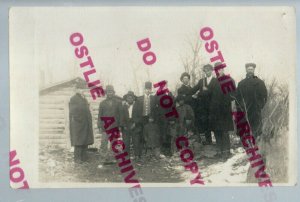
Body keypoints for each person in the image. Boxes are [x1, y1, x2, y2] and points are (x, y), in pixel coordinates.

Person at [209, 63, 235, 158]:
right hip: (215, 111)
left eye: (220, 69)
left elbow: (233, 96)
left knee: (224, 131)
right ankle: (219, 151)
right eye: (216, 70)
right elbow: (209, 95)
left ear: (223, 70)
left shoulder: (229, 80)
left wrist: (232, 109)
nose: (218, 71)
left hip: (225, 110)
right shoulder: (214, 81)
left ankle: (226, 151)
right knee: (216, 130)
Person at [236, 63, 268, 138]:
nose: (250, 71)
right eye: (248, 69)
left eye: (252, 69)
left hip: (255, 110)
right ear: (246, 70)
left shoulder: (260, 82)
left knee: (255, 129)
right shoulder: (241, 83)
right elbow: (237, 97)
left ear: (254, 70)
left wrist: (259, 106)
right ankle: (245, 145)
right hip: (243, 109)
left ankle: (254, 145)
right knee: (244, 129)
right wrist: (240, 107)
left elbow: (264, 96)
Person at [191, 64, 219, 145]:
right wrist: (183, 94)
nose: (207, 72)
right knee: (205, 123)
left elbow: (217, 93)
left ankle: (218, 142)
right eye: (206, 70)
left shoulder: (216, 81)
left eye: (209, 70)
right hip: (203, 107)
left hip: (213, 106)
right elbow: (193, 90)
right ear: (204, 71)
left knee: (214, 123)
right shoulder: (201, 81)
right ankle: (208, 141)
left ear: (212, 70)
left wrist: (207, 90)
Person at [132, 81, 158, 161]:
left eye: (149, 89)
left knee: (149, 135)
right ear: (144, 89)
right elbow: (135, 111)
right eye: (146, 89)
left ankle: (149, 153)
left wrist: (153, 118)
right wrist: (136, 121)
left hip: (150, 120)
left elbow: (156, 110)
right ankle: (139, 154)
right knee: (140, 135)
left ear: (151, 89)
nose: (148, 90)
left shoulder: (154, 98)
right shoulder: (139, 99)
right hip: (141, 120)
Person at [69, 82, 94, 164]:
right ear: (76, 90)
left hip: (85, 123)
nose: (82, 90)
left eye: (83, 89)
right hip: (78, 124)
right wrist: (79, 119)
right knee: (78, 141)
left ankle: (84, 158)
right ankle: (77, 159)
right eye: (80, 89)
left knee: (85, 140)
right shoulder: (74, 99)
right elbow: (72, 111)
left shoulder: (84, 98)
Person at [97, 85, 122, 161]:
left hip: (114, 125)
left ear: (113, 93)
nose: (110, 93)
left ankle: (112, 158)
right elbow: (99, 115)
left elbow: (120, 115)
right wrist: (100, 126)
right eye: (108, 92)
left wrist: (120, 126)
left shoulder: (118, 103)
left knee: (114, 143)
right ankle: (103, 158)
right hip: (105, 126)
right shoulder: (102, 103)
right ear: (106, 93)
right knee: (104, 142)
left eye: (111, 92)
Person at [120, 91, 137, 158]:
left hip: (134, 123)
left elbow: (138, 116)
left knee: (135, 140)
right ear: (126, 99)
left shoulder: (136, 106)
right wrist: (123, 125)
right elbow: (121, 117)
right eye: (128, 98)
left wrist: (135, 123)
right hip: (126, 124)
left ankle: (137, 155)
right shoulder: (123, 106)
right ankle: (127, 155)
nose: (130, 99)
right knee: (126, 141)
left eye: (131, 97)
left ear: (133, 98)